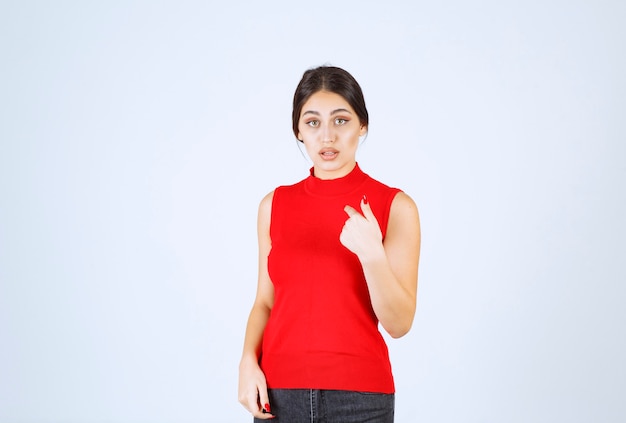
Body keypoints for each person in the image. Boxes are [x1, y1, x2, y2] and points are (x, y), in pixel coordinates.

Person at [238, 65, 421, 422]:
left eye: (341, 121)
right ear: (298, 131)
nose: (327, 137)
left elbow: (399, 323)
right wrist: (247, 361)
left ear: (362, 126)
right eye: (312, 122)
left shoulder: (395, 207)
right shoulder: (273, 205)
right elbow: (264, 302)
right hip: (276, 395)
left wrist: (372, 255)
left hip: (361, 399)